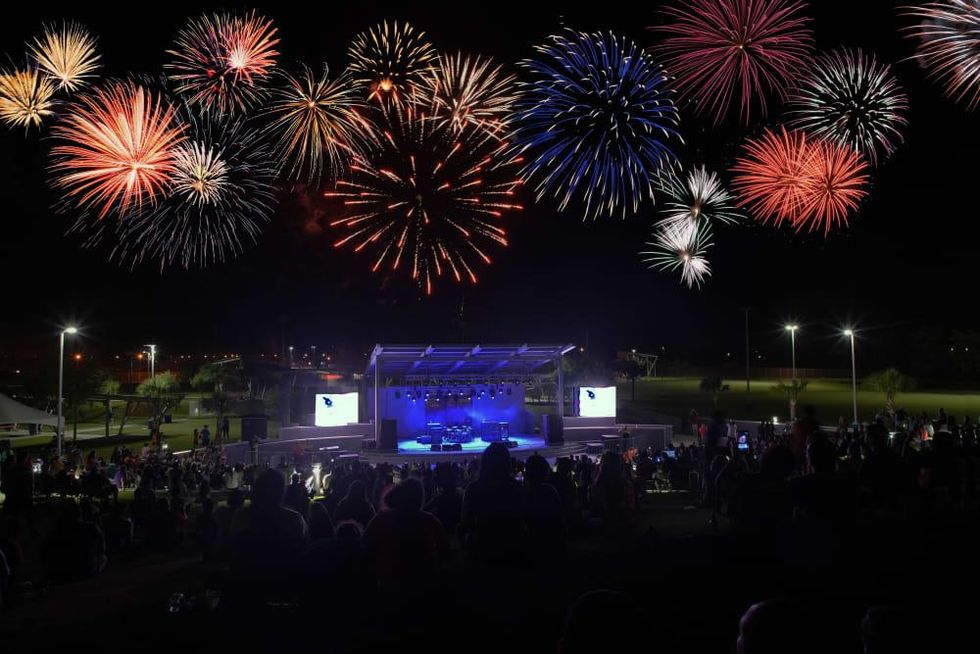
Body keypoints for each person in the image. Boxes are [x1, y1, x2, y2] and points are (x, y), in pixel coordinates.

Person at [364, 477, 447, 590]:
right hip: (424, 583)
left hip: (389, 581)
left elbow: (366, 544)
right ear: (420, 497)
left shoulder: (382, 518)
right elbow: (444, 552)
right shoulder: (430, 521)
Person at [461, 443, 526, 562]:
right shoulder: (515, 488)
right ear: (507, 463)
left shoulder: (473, 488)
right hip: (512, 549)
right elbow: (523, 517)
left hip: (481, 549)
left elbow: (466, 522)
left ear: (484, 463)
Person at [523, 453, 565, 551]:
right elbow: (558, 518)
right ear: (544, 472)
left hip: (531, 541)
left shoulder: (522, 493)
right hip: (550, 540)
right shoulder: (549, 491)